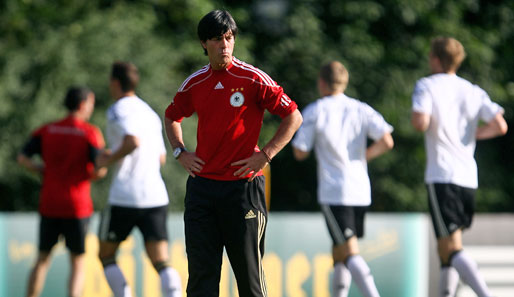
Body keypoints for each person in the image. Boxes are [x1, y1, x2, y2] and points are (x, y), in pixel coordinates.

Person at [164, 9, 302, 297]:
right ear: (204, 43)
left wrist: (265, 155)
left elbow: (293, 116)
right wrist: (180, 152)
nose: (225, 44)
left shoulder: (253, 78)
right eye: (217, 39)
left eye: (229, 37)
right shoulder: (195, 82)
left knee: (250, 281)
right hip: (202, 190)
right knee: (201, 280)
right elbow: (172, 116)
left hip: (243, 189)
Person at [411, 37, 508, 297]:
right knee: (446, 248)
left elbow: (420, 122)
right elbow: (500, 125)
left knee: (451, 248)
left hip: (443, 174)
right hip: (468, 177)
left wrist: (421, 120)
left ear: (435, 58)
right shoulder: (472, 90)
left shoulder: (427, 85)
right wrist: (474, 135)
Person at [292, 61, 393, 297]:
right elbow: (387, 141)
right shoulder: (360, 108)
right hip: (360, 189)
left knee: (349, 251)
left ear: (322, 83)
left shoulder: (317, 110)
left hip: (335, 190)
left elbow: (299, 151)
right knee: (339, 251)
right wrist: (364, 157)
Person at [96, 61, 181, 297]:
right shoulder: (149, 112)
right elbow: (161, 157)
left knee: (105, 254)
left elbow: (132, 141)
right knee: (161, 260)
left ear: (114, 83)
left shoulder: (118, 109)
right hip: (154, 195)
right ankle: (173, 293)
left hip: (124, 194)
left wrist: (108, 159)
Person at [17, 86, 107, 297]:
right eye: (91, 104)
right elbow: (99, 169)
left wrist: (40, 169)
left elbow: (22, 158)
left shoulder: (48, 129)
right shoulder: (89, 132)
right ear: (83, 104)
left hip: (49, 202)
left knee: (42, 259)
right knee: (77, 262)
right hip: (77, 205)